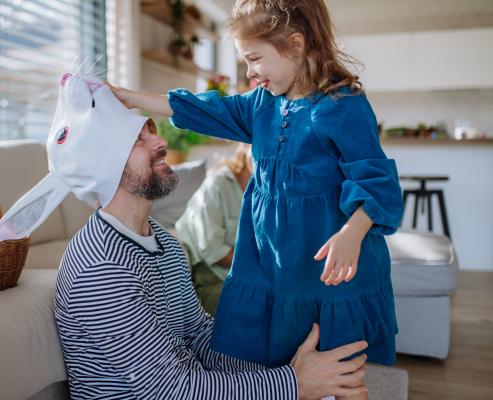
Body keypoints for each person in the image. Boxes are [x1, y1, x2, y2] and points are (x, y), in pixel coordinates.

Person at [107, 1, 405, 399]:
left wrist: (353, 234)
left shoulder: (343, 105)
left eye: (254, 58)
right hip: (274, 271)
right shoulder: (261, 106)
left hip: (333, 275)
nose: (249, 73)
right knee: (283, 366)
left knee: (343, 377)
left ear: (295, 45)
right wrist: (128, 97)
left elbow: (376, 179)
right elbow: (203, 108)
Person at [55, 117, 369, 399]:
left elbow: (202, 338)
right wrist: (292, 383)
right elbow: (169, 389)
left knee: (332, 379)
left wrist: (283, 365)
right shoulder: (101, 268)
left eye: (152, 130)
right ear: (102, 164)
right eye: (139, 138)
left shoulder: (163, 241)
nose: (162, 141)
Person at [176, 143, 253, 316]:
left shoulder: (268, 191)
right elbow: (212, 251)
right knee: (256, 308)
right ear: (246, 147)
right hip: (208, 276)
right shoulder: (218, 183)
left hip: (244, 275)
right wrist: (259, 264)